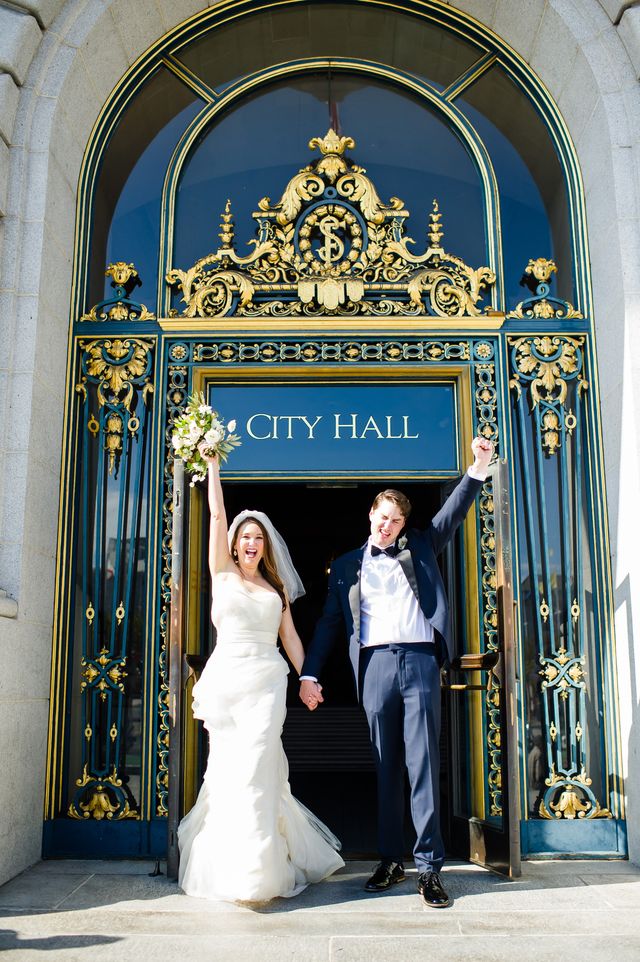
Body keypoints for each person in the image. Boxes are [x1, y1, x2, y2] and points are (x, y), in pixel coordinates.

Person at [299, 436, 493, 908]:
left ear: (404, 524)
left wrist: (477, 467)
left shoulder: (422, 547)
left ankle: (429, 868)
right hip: (375, 667)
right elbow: (327, 625)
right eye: (381, 517)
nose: (386, 526)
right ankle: (391, 860)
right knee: (386, 768)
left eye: (395, 520)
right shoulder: (346, 566)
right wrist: (309, 674)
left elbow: (452, 512)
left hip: (421, 662)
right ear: (370, 515)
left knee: (423, 764)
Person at [178, 446, 344, 902]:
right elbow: (215, 516)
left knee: (256, 764)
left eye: (258, 538)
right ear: (234, 543)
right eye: (244, 537)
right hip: (229, 681)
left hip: (268, 683)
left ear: (266, 546)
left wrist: (307, 678)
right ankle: (231, 867)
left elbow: (290, 639)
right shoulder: (222, 574)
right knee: (230, 771)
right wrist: (212, 467)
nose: (251, 543)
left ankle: (258, 872)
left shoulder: (277, 590)